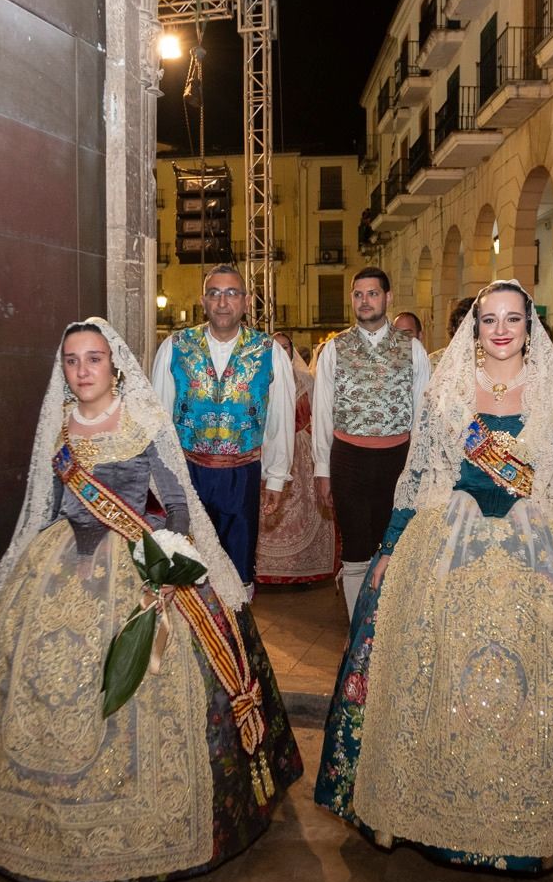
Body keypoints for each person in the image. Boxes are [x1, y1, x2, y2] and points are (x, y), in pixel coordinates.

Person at [314, 280, 553, 868]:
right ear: (476, 327)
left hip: (538, 540)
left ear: (529, 326)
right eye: (491, 319)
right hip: (450, 540)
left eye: (514, 319)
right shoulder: (450, 393)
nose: (502, 330)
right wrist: (389, 547)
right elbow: (419, 480)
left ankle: (538, 809)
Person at [0, 319, 303, 882]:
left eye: (94, 359)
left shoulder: (142, 420)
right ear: (63, 370)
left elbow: (177, 503)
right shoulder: (59, 429)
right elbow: (46, 505)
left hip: (137, 557)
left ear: (114, 366)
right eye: (72, 360)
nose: (83, 369)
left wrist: (167, 567)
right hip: (62, 558)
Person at [150, 263, 295, 584]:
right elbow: (158, 419)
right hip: (187, 476)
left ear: (246, 301)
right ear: (203, 301)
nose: (222, 302)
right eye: (214, 294)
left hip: (242, 477)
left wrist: (275, 478)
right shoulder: (175, 348)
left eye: (231, 293)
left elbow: (280, 421)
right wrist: (161, 481)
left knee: (237, 569)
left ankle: (234, 632)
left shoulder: (269, 352)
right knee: (188, 567)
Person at [312, 266, 431, 619]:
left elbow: (424, 415)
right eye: (359, 294)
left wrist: (420, 469)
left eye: (373, 293)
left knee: (394, 545)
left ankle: (387, 627)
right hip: (348, 458)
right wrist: (322, 470)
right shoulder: (334, 349)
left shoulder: (413, 350)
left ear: (388, 298)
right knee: (355, 549)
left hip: (398, 459)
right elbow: (322, 413)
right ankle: (355, 628)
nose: (365, 301)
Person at [256, 333, 338, 586]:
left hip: (301, 449)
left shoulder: (306, 380)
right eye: (276, 347)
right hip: (270, 449)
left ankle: (305, 568)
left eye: (285, 347)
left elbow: (320, 413)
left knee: (305, 508)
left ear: (291, 351)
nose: (281, 351)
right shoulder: (259, 380)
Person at [430, 296, 475, 368]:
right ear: (454, 329)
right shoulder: (434, 361)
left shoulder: (493, 361)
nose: (469, 330)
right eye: (463, 324)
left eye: (474, 324)